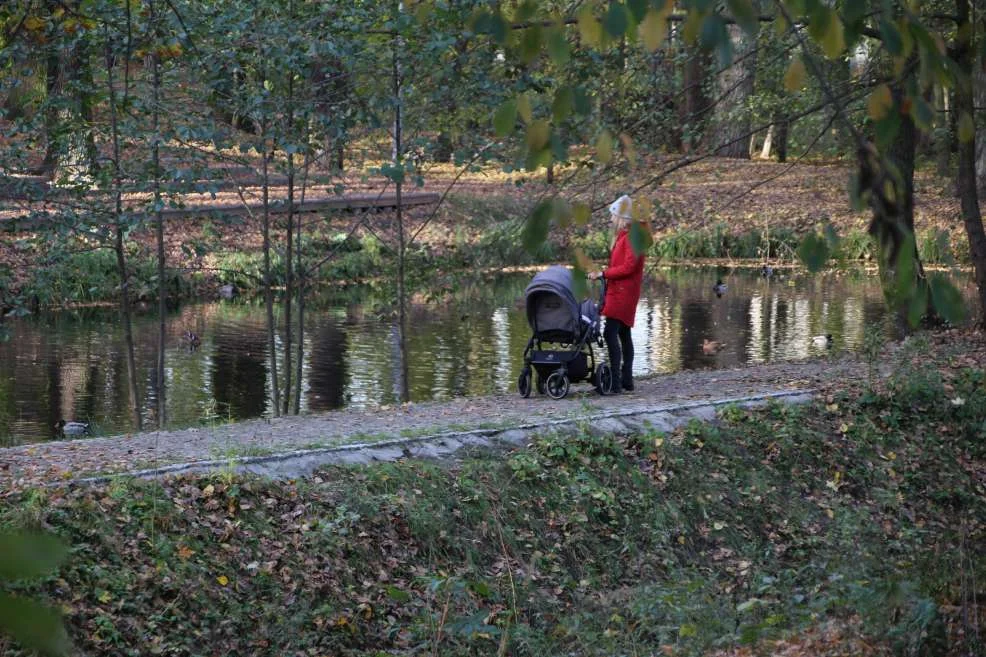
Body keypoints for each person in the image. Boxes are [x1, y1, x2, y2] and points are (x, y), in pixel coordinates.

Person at [589, 195, 645, 393]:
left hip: (623, 292)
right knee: (623, 333)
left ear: (622, 217)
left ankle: (615, 381)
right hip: (623, 290)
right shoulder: (627, 236)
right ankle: (626, 380)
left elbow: (629, 267)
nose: (611, 220)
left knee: (610, 332)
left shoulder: (631, 238)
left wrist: (603, 274)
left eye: (613, 216)